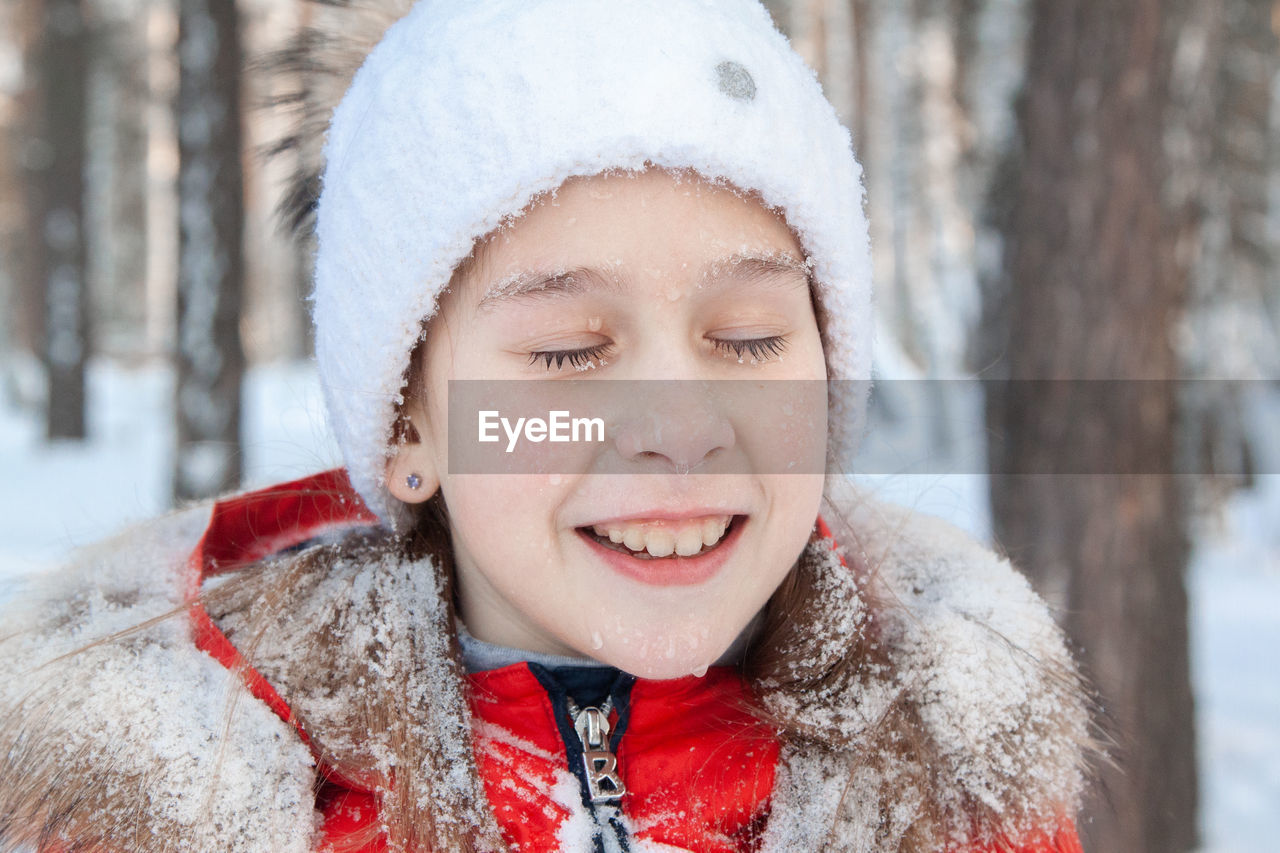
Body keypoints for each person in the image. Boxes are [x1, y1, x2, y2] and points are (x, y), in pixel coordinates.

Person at [0, 1, 1095, 851]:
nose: (679, 428)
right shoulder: (165, 803)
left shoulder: (954, 785)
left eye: (750, 339)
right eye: (568, 352)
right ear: (405, 431)